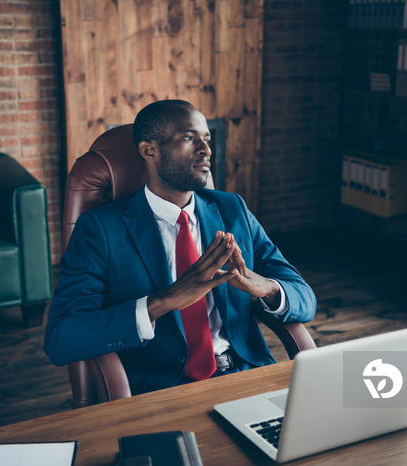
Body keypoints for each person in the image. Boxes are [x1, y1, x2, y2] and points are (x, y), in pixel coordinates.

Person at [45, 99, 316, 395]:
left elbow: (305, 298)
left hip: (246, 375)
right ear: (149, 150)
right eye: (189, 138)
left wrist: (265, 287)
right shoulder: (101, 228)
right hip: (163, 391)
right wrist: (164, 301)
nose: (206, 150)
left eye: (207, 138)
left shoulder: (232, 209)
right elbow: (61, 338)